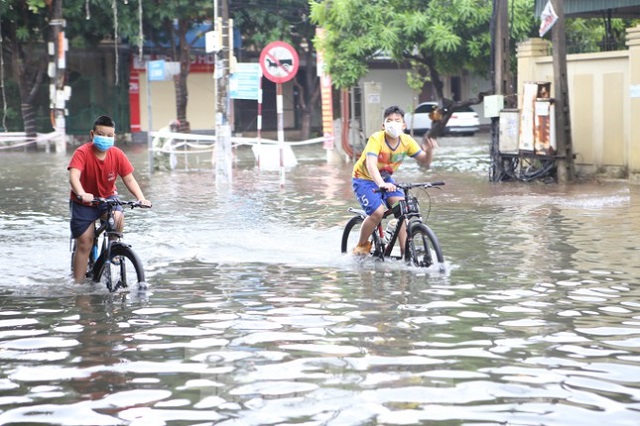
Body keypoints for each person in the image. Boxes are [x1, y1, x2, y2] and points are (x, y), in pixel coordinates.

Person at [68, 115, 152, 283]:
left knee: (118, 218)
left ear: (114, 136)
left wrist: (141, 198)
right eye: (101, 134)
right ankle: (77, 287)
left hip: (107, 198)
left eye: (109, 135)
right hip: (83, 201)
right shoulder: (82, 153)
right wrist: (82, 193)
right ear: (92, 135)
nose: (105, 138)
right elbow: (74, 176)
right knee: (85, 242)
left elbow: (129, 178)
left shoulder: (117, 154)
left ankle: (113, 249)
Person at [351, 105, 438, 255]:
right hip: (364, 179)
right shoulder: (376, 139)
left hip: (386, 178)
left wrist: (429, 151)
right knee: (377, 213)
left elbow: (424, 160)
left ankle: (405, 252)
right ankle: (361, 245)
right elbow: (371, 164)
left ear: (403, 124)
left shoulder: (407, 141)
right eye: (389, 120)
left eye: (397, 120)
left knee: (403, 207)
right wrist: (382, 184)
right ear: (383, 125)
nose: (393, 123)